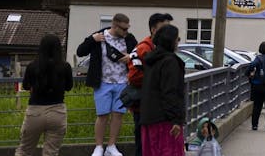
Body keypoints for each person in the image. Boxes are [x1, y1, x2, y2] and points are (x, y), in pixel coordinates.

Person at [76, 13, 137, 156]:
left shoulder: (129, 38)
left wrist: (131, 57)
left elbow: (139, 52)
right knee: (102, 115)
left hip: (122, 82)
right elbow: (80, 51)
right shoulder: (99, 36)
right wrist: (92, 40)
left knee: (118, 114)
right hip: (102, 82)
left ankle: (111, 145)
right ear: (114, 26)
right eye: (123, 29)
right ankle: (98, 146)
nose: (126, 32)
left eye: (127, 28)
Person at [16, 34, 73, 156]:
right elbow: (69, 87)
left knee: (24, 150)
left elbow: (26, 86)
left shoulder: (32, 66)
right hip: (58, 112)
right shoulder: (65, 66)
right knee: (51, 152)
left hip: (35, 112)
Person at [127, 13, 173, 156]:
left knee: (153, 143)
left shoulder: (158, 48)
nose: (167, 32)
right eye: (163, 28)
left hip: (154, 105)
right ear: (153, 30)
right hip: (143, 105)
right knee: (143, 143)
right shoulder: (143, 49)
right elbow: (134, 77)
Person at [139, 24, 185, 156]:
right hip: (165, 121)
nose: (178, 42)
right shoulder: (170, 61)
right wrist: (176, 120)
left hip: (149, 118)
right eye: (177, 39)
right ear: (171, 41)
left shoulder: (151, 60)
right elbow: (170, 92)